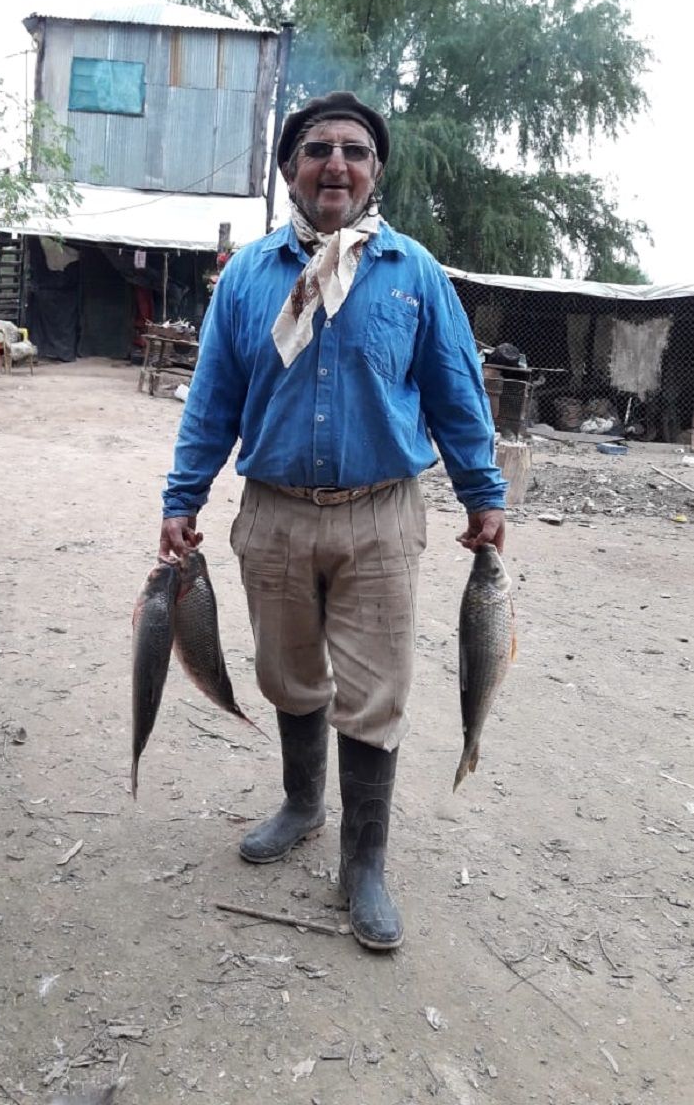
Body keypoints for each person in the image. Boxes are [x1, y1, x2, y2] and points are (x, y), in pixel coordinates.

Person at [159, 90, 506, 952]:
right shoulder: (246, 276)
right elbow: (213, 403)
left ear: (374, 170)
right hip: (273, 515)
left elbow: (457, 394)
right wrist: (182, 499)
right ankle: (303, 804)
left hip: (381, 517)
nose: (337, 165)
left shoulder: (412, 273)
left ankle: (365, 863)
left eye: (355, 150)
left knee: (376, 691)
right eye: (318, 150)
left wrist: (483, 494)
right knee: (287, 675)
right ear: (289, 170)